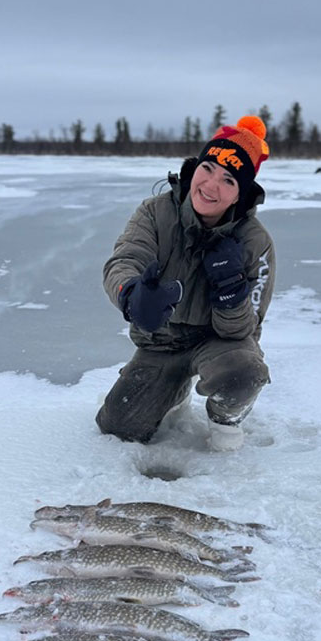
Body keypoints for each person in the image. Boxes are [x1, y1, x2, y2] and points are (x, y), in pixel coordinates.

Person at [96, 115, 275, 452]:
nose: (210, 186)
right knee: (117, 428)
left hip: (219, 343)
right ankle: (172, 392)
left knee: (245, 372)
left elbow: (247, 329)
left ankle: (226, 420)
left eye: (228, 180)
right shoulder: (155, 213)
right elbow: (124, 260)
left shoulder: (255, 242)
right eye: (207, 169)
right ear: (194, 169)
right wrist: (131, 295)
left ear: (240, 195)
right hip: (161, 343)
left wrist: (231, 295)